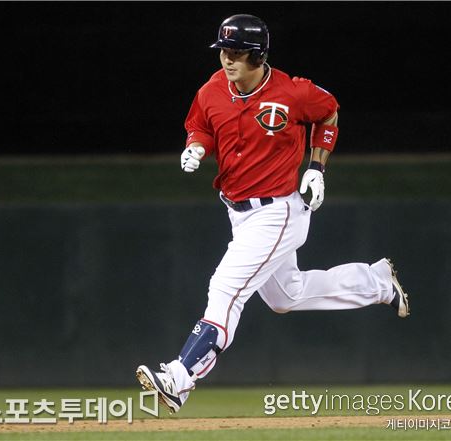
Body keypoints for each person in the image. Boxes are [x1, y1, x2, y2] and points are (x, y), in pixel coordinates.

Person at [136, 14, 410, 414]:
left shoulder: (292, 92)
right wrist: (196, 145)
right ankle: (376, 282)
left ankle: (180, 377)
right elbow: (200, 124)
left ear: (258, 55)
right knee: (286, 295)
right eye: (224, 51)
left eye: (237, 53)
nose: (227, 60)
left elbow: (329, 112)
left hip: (278, 211)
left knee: (225, 290)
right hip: (238, 213)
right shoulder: (213, 88)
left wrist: (316, 167)